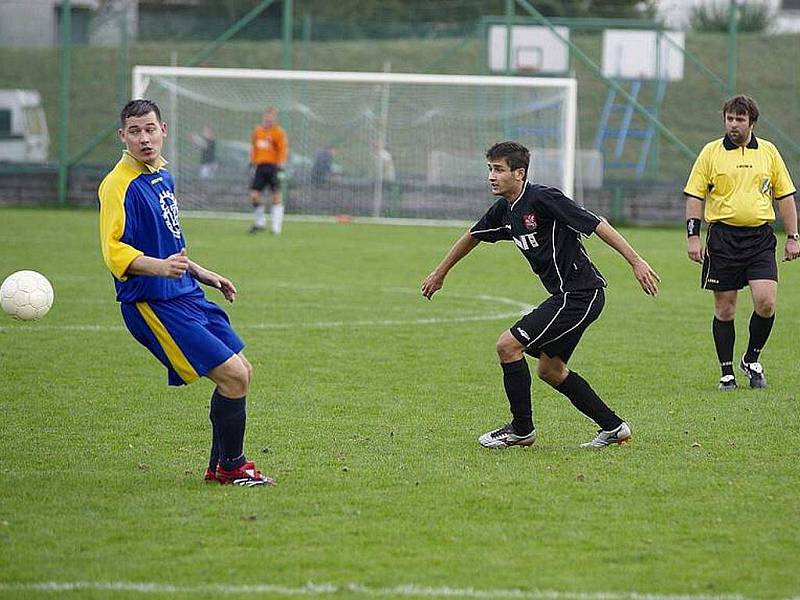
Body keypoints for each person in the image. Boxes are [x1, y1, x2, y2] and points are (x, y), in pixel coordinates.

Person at [421, 141, 660, 449]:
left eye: (499, 170)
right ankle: (614, 427)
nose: (492, 176)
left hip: (579, 294)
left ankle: (521, 430)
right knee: (551, 370)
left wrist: (636, 261)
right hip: (570, 296)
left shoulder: (544, 198)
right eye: (490, 169)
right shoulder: (505, 210)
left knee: (508, 346)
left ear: (519, 173)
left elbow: (598, 223)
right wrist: (440, 273)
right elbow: (472, 236)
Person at [98, 99, 274, 487]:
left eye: (150, 129)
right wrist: (160, 268)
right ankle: (233, 466)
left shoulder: (163, 176)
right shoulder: (117, 185)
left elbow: (171, 243)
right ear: (122, 136)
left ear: (164, 130)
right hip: (152, 301)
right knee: (232, 377)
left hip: (186, 292)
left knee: (241, 372)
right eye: (135, 131)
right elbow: (114, 252)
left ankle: (219, 466)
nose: (144, 138)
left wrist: (201, 272)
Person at [684, 95, 798, 391]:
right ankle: (726, 372)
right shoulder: (711, 153)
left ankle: (751, 358)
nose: (733, 124)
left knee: (766, 301)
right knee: (726, 309)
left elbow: (785, 196)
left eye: (740, 119)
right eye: (730, 119)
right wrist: (693, 236)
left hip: (760, 238)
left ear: (752, 122)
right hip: (722, 238)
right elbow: (695, 195)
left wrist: (793, 236)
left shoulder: (769, 153)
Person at [249, 107, 288, 234]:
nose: (269, 118)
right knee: (254, 195)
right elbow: (254, 148)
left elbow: (282, 150)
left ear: (275, 118)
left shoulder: (278, 132)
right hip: (260, 167)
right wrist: (252, 162)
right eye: (267, 116)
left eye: (271, 116)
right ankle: (260, 223)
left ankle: (276, 228)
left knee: (276, 196)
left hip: (273, 167)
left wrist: (281, 165)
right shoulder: (257, 131)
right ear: (264, 116)